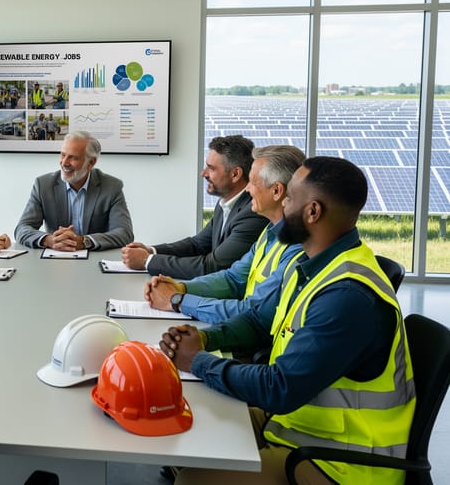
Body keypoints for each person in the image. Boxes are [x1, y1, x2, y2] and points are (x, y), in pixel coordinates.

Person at [159, 157, 414, 485]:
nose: (282, 202)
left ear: (312, 212)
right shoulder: (309, 265)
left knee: (192, 480)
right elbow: (257, 323)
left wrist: (196, 361)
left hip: (339, 462)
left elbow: (280, 388)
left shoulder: (347, 296)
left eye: (290, 198)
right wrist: (205, 339)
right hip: (294, 426)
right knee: (184, 431)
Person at [144, 145, 305, 324]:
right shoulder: (269, 232)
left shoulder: (296, 248)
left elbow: (251, 310)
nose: (248, 189)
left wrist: (178, 300)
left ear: (276, 191)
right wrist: (181, 287)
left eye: (252, 182)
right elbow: (233, 278)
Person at [122, 134, 267, 279]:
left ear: (235, 174)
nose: (203, 173)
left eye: (211, 168)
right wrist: (151, 251)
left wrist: (146, 261)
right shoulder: (226, 202)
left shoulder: (253, 213)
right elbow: (197, 244)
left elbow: (212, 266)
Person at [15, 131, 134, 251]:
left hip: (95, 261)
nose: (65, 163)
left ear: (91, 162)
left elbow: (124, 233)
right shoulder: (43, 185)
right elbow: (22, 228)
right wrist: (50, 240)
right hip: (55, 260)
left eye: (73, 158)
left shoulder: (111, 187)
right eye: (63, 155)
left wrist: (84, 241)